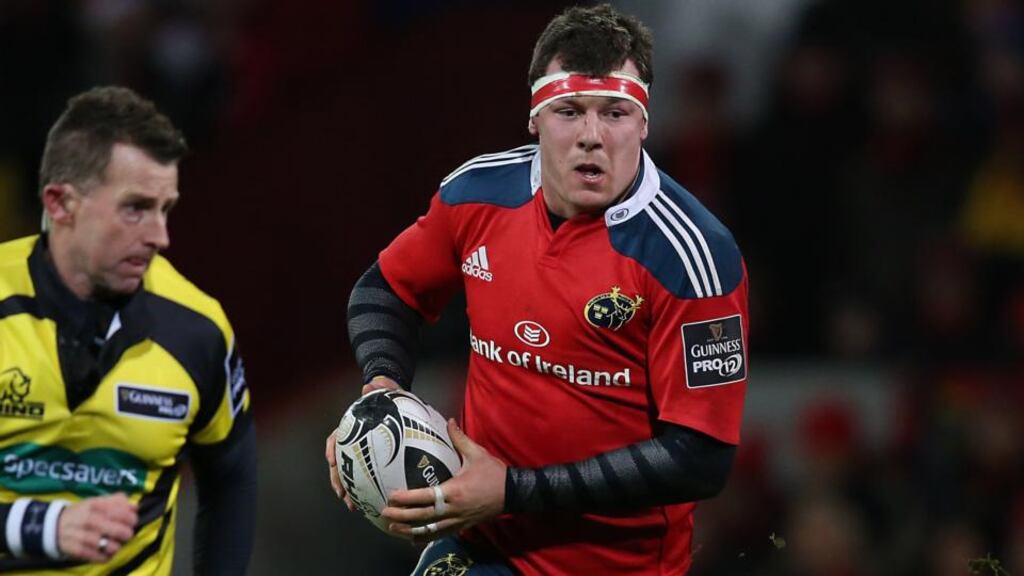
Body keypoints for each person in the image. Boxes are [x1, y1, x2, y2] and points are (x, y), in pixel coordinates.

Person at [327, 4, 749, 575]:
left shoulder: (694, 257)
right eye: (569, 111)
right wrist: (382, 391)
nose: (592, 137)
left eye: (616, 113)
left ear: (645, 123)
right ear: (535, 118)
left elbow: (701, 458)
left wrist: (512, 491)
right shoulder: (476, 194)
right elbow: (383, 291)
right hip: (482, 547)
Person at [0, 86, 256, 575]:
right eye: (135, 208)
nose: (160, 236)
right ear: (60, 203)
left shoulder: (198, 329)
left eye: (166, 209)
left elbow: (231, 479)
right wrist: (41, 526)